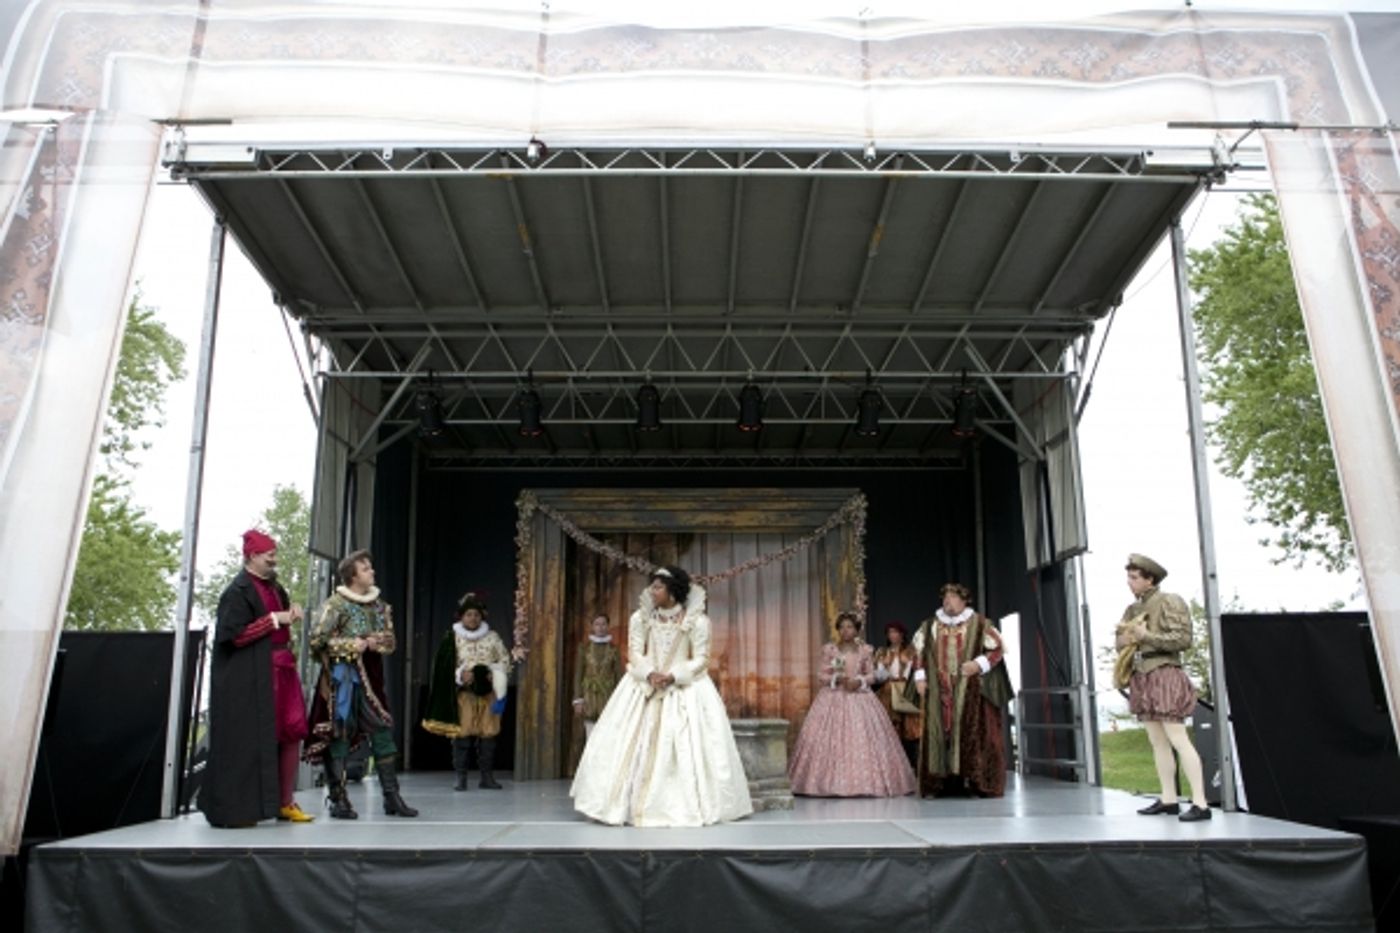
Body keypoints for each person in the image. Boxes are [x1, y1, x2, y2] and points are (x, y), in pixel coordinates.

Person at [570, 566, 753, 826]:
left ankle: (682, 805)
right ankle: (624, 803)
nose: (652, 591)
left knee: (688, 747)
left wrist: (674, 675)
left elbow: (701, 659)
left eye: (658, 586)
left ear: (672, 590)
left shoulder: (697, 621)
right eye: (652, 586)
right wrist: (649, 673)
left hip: (684, 689)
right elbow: (635, 652)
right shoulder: (641, 618)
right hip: (644, 685)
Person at [201, 530, 311, 827]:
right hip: (255, 674)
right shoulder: (236, 592)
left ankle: (285, 802)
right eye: (269, 555)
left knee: (292, 731)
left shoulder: (276, 588)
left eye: (274, 553)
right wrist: (275, 619)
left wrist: (289, 616)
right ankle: (244, 806)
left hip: (282, 668)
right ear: (251, 556)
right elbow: (233, 635)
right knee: (255, 735)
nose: (274, 559)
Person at [304, 549, 418, 819]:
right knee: (340, 731)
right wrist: (351, 644)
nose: (372, 571)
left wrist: (380, 642)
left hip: (372, 679)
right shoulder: (336, 604)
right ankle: (338, 799)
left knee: (382, 732)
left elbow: (391, 642)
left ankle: (392, 797)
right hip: (341, 679)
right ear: (352, 576)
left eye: (370, 567)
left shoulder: (380, 606)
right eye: (366, 569)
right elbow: (316, 641)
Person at [1116, 554, 1211, 822]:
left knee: (1177, 737)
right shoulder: (1132, 610)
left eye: (1135, 578)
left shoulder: (1170, 601)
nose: (1129, 582)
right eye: (1129, 577)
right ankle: (1169, 798)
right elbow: (1120, 641)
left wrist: (1148, 636)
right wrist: (1125, 640)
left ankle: (1200, 802)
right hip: (1141, 674)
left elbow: (1183, 638)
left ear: (1150, 579)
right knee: (1156, 740)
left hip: (1165, 672)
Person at [788, 612, 917, 797]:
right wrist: (836, 677)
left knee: (863, 737)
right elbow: (821, 675)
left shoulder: (865, 650)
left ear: (857, 630)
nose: (845, 630)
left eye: (849, 626)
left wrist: (860, 681)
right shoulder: (830, 650)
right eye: (841, 627)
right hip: (833, 697)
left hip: (860, 697)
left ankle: (866, 783)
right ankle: (825, 783)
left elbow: (872, 675)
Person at [911, 583, 1013, 798]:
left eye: (953, 597)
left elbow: (998, 649)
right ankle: (939, 783)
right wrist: (920, 677)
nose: (948, 602)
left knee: (971, 732)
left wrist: (979, 664)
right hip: (939, 689)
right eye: (945, 598)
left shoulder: (980, 624)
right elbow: (918, 652)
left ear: (964, 600)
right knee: (940, 733)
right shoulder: (930, 625)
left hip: (970, 689)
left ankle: (975, 781)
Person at [421, 591, 511, 790]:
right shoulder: (452, 638)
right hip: (464, 694)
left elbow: (505, 659)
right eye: (469, 614)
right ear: (461, 616)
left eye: (477, 615)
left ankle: (486, 777)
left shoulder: (493, 637)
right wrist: (460, 675)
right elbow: (443, 665)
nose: (473, 618)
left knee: (489, 733)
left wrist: (494, 672)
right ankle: (460, 777)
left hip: (488, 694)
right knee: (462, 734)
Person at [873, 621, 922, 768]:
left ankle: (910, 761)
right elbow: (879, 673)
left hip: (904, 689)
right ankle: (891, 762)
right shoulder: (882, 652)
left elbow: (911, 670)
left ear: (902, 635)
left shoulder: (909, 651)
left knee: (908, 725)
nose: (893, 635)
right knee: (889, 725)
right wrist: (884, 669)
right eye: (890, 632)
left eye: (896, 632)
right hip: (887, 691)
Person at [572, 612, 622, 744]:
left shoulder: (614, 650)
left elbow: (619, 676)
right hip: (589, 697)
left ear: (608, 626)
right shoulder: (584, 648)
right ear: (592, 627)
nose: (600, 627)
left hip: (608, 697)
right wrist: (578, 700)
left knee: (607, 735)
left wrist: (619, 700)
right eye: (597, 624)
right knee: (590, 735)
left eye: (604, 624)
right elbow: (578, 675)